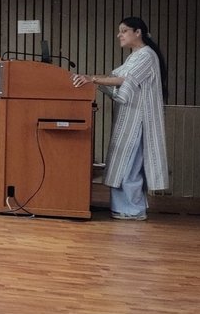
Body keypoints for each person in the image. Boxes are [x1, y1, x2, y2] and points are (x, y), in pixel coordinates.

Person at [72, 16, 169, 221]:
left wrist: (93, 79)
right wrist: (93, 80)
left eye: (124, 31)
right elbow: (116, 79)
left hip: (139, 120)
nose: (119, 35)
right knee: (123, 164)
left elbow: (126, 80)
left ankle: (133, 209)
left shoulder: (147, 55)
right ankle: (125, 208)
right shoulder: (134, 56)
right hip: (129, 119)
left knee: (130, 165)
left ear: (138, 32)